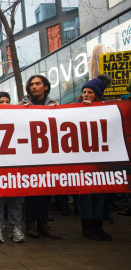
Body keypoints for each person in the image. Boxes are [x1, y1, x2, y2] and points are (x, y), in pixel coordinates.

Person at [20, 75, 60, 239]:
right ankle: (30, 224)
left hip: (47, 155)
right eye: (31, 84)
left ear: (46, 86)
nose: (34, 87)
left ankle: (43, 224)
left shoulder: (54, 105)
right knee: (31, 193)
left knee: (46, 191)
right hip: (29, 156)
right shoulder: (21, 106)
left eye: (38, 84)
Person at [77, 74, 113, 241]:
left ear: (97, 94)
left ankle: (98, 224)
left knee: (100, 193)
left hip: (102, 159)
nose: (86, 95)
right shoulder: (76, 109)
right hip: (84, 159)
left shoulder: (107, 108)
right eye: (84, 91)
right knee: (86, 193)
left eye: (90, 92)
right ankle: (87, 225)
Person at [0, 92, 25, 243]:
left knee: (16, 199)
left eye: (7, 101)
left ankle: (15, 227)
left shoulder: (17, 116)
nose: (5, 104)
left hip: (14, 164)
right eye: (1, 101)